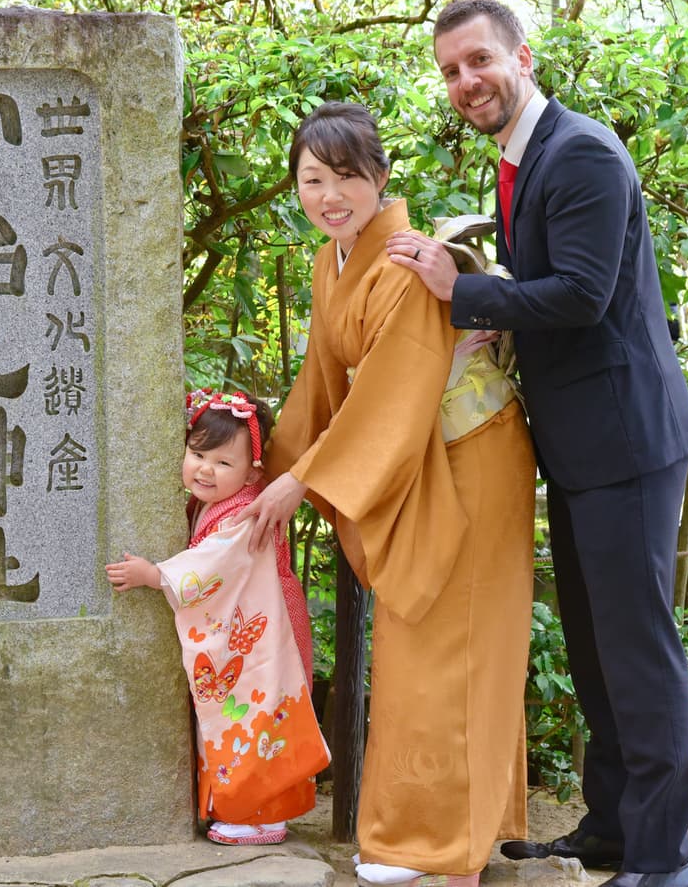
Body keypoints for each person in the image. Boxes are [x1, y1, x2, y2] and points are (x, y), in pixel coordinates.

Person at [385, 0, 688, 887]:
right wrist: (495, 305)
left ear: (522, 56)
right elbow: (554, 285)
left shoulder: (583, 155)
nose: (466, 82)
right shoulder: (526, 158)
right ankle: (612, 827)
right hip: (581, 445)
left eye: (479, 61)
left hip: (628, 443)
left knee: (637, 648)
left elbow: (583, 294)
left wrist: (466, 293)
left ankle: (665, 856)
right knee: (597, 643)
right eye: (451, 71)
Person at [236, 101, 536, 887]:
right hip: (417, 458)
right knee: (419, 647)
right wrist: (269, 472)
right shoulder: (332, 258)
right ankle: (436, 830)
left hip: (468, 455)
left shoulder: (402, 258)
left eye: (345, 177)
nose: (329, 195)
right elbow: (323, 381)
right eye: (311, 179)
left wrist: (306, 480)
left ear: (380, 178)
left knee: (457, 643)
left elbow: (392, 395)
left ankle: (445, 847)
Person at [105, 387, 325, 847]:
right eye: (197, 454)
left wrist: (154, 575)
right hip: (251, 624)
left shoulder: (249, 511)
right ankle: (241, 808)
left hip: (267, 628)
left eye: (224, 463)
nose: (206, 469)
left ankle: (262, 817)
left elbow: (214, 564)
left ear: (254, 470)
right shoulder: (214, 501)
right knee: (240, 713)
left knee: (258, 712)